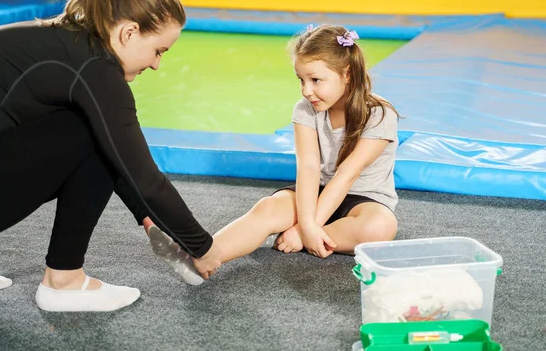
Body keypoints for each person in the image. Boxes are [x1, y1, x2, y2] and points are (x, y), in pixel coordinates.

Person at [0, 0, 222, 312]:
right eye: (158, 51)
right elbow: (144, 176)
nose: (157, 64)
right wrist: (203, 246)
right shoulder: (96, 69)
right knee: (88, 130)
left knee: (87, 127)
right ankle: (64, 280)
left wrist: (146, 216)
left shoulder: (71, 45)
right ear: (128, 32)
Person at [149, 24, 399, 274]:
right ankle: (200, 259)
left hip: (364, 201)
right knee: (266, 208)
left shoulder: (379, 114)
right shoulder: (305, 109)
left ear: (347, 74)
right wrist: (307, 221)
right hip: (314, 193)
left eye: (315, 80)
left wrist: (305, 230)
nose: (306, 90)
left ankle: (285, 238)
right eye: (301, 80)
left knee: (379, 229)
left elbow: (347, 174)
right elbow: (309, 168)